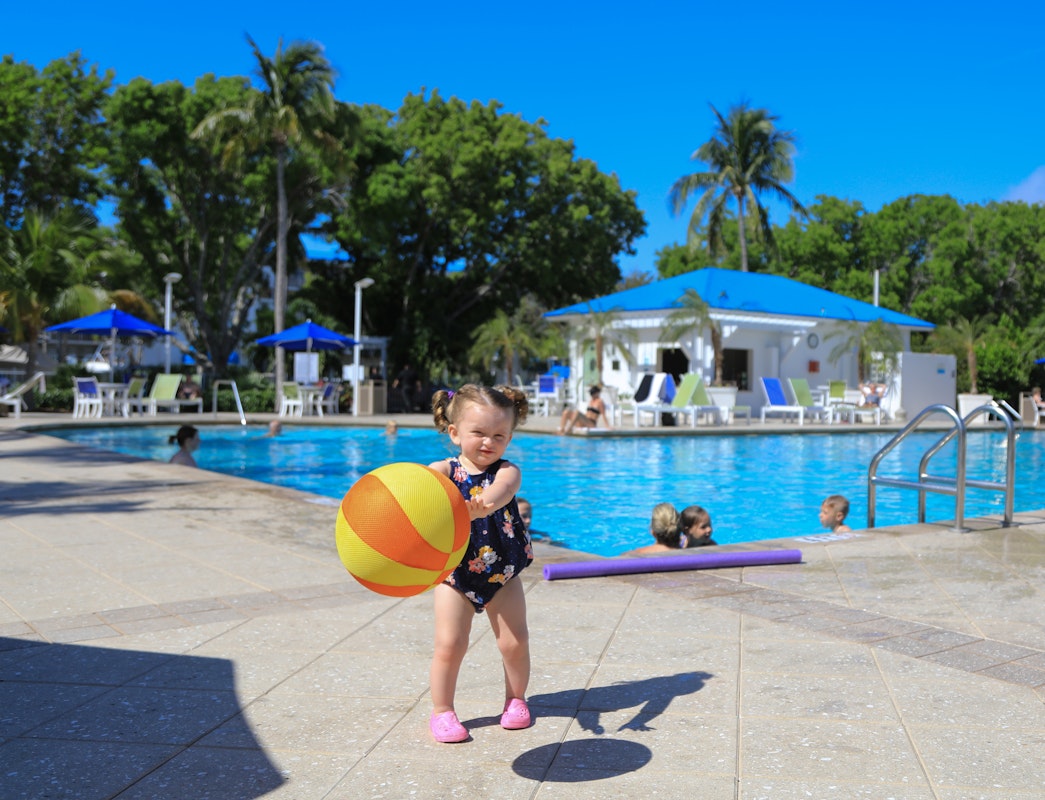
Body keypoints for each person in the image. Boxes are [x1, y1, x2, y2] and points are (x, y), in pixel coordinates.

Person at [427, 384, 533, 743]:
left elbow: (501, 492)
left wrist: (482, 503)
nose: (489, 442)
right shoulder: (442, 470)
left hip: (501, 570)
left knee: (514, 642)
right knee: (450, 644)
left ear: (509, 438)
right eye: (479, 433)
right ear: (455, 433)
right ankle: (442, 711)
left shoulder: (508, 472)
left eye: (499, 435)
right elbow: (420, 489)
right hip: (454, 573)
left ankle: (516, 700)